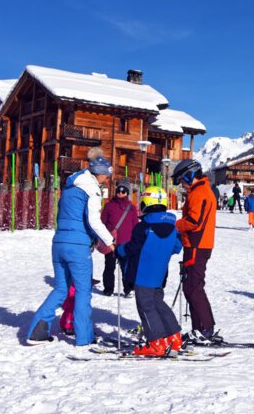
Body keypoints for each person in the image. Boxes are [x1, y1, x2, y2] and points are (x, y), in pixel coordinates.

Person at [27, 148, 116, 345]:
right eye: (106, 176)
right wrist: (109, 241)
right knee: (83, 292)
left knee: (61, 289)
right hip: (78, 246)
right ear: (99, 173)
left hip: (59, 243)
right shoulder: (91, 189)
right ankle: (84, 338)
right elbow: (93, 220)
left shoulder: (69, 188)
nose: (106, 180)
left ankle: (37, 331)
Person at [118, 186, 184, 356]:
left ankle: (156, 343)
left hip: (142, 274)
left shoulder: (144, 227)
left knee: (146, 307)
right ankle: (174, 337)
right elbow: (177, 247)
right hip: (160, 274)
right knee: (158, 304)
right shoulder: (173, 227)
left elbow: (133, 247)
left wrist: (120, 250)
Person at [172, 159, 220, 343]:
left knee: (193, 287)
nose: (181, 185)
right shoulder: (199, 191)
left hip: (197, 246)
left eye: (181, 181)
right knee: (190, 286)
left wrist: (175, 225)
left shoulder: (199, 193)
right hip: (195, 245)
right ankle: (199, 328)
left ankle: (205, 328)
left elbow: (194, 221)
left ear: (189, 175)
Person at [99, 181, 139, 296]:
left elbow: (135, 225)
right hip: (111, 242)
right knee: (109, 266)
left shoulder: (131, 208)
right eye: (118, 191)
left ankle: (128, 288)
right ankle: (108, 289)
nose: (120, 193)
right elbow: (102, 222)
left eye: (123, 191)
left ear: (127, 193)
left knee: (126, 267)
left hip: (126, 243)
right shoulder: (109, 206)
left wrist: (135, 240)